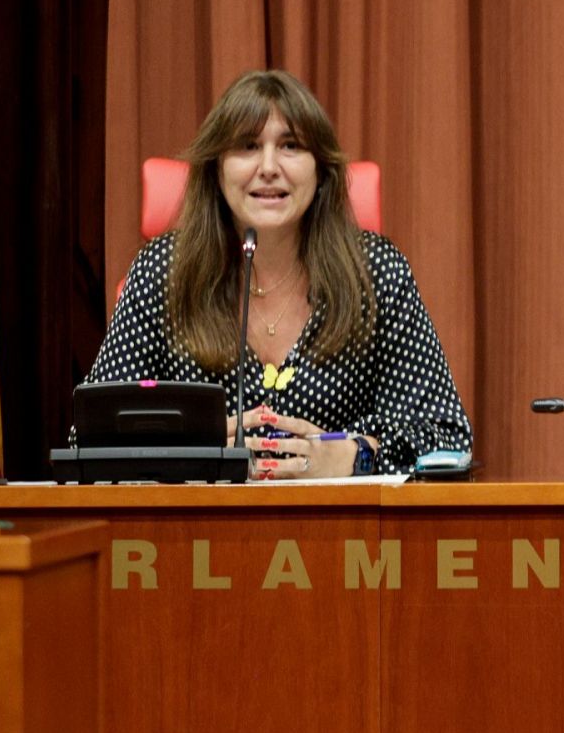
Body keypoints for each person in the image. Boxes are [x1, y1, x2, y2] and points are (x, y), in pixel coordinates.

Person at [83, 70, 472, 478]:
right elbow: (90, 437)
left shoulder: (374, 274)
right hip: (196, 533)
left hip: (346, 534)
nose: (269, 167)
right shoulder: (164, 272)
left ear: (320, 170)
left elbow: (447, 437)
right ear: (216, 169)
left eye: (290, 146)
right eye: (247, 146)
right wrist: (187, 448)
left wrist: (357, 454)